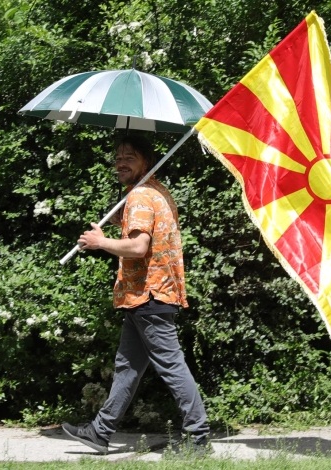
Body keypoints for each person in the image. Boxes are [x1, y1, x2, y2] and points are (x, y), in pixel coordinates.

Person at [62, 135, 210, 454]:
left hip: (150, 295)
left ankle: (199, 438)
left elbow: (139, 247)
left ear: (145, 161)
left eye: (129, 156)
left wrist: (100, 242)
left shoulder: (141, 195)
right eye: (117, 158)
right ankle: (100, 432)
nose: (121, 162)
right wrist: (122, 218)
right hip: (144, 296)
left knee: (172, 366)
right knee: (128, 367)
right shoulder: (155, 192)